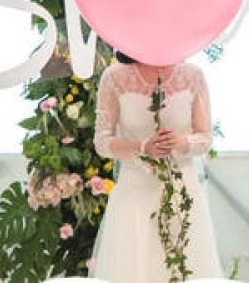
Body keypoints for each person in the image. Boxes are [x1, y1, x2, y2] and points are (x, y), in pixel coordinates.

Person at [90, 52, 223, 282]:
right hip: (133, 194)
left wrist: (180, 142)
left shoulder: (193, 76)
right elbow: (102, 142)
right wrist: (143, 147)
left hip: (182, 193)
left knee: (185, 266)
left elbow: (205, 137)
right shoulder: (114, 77)